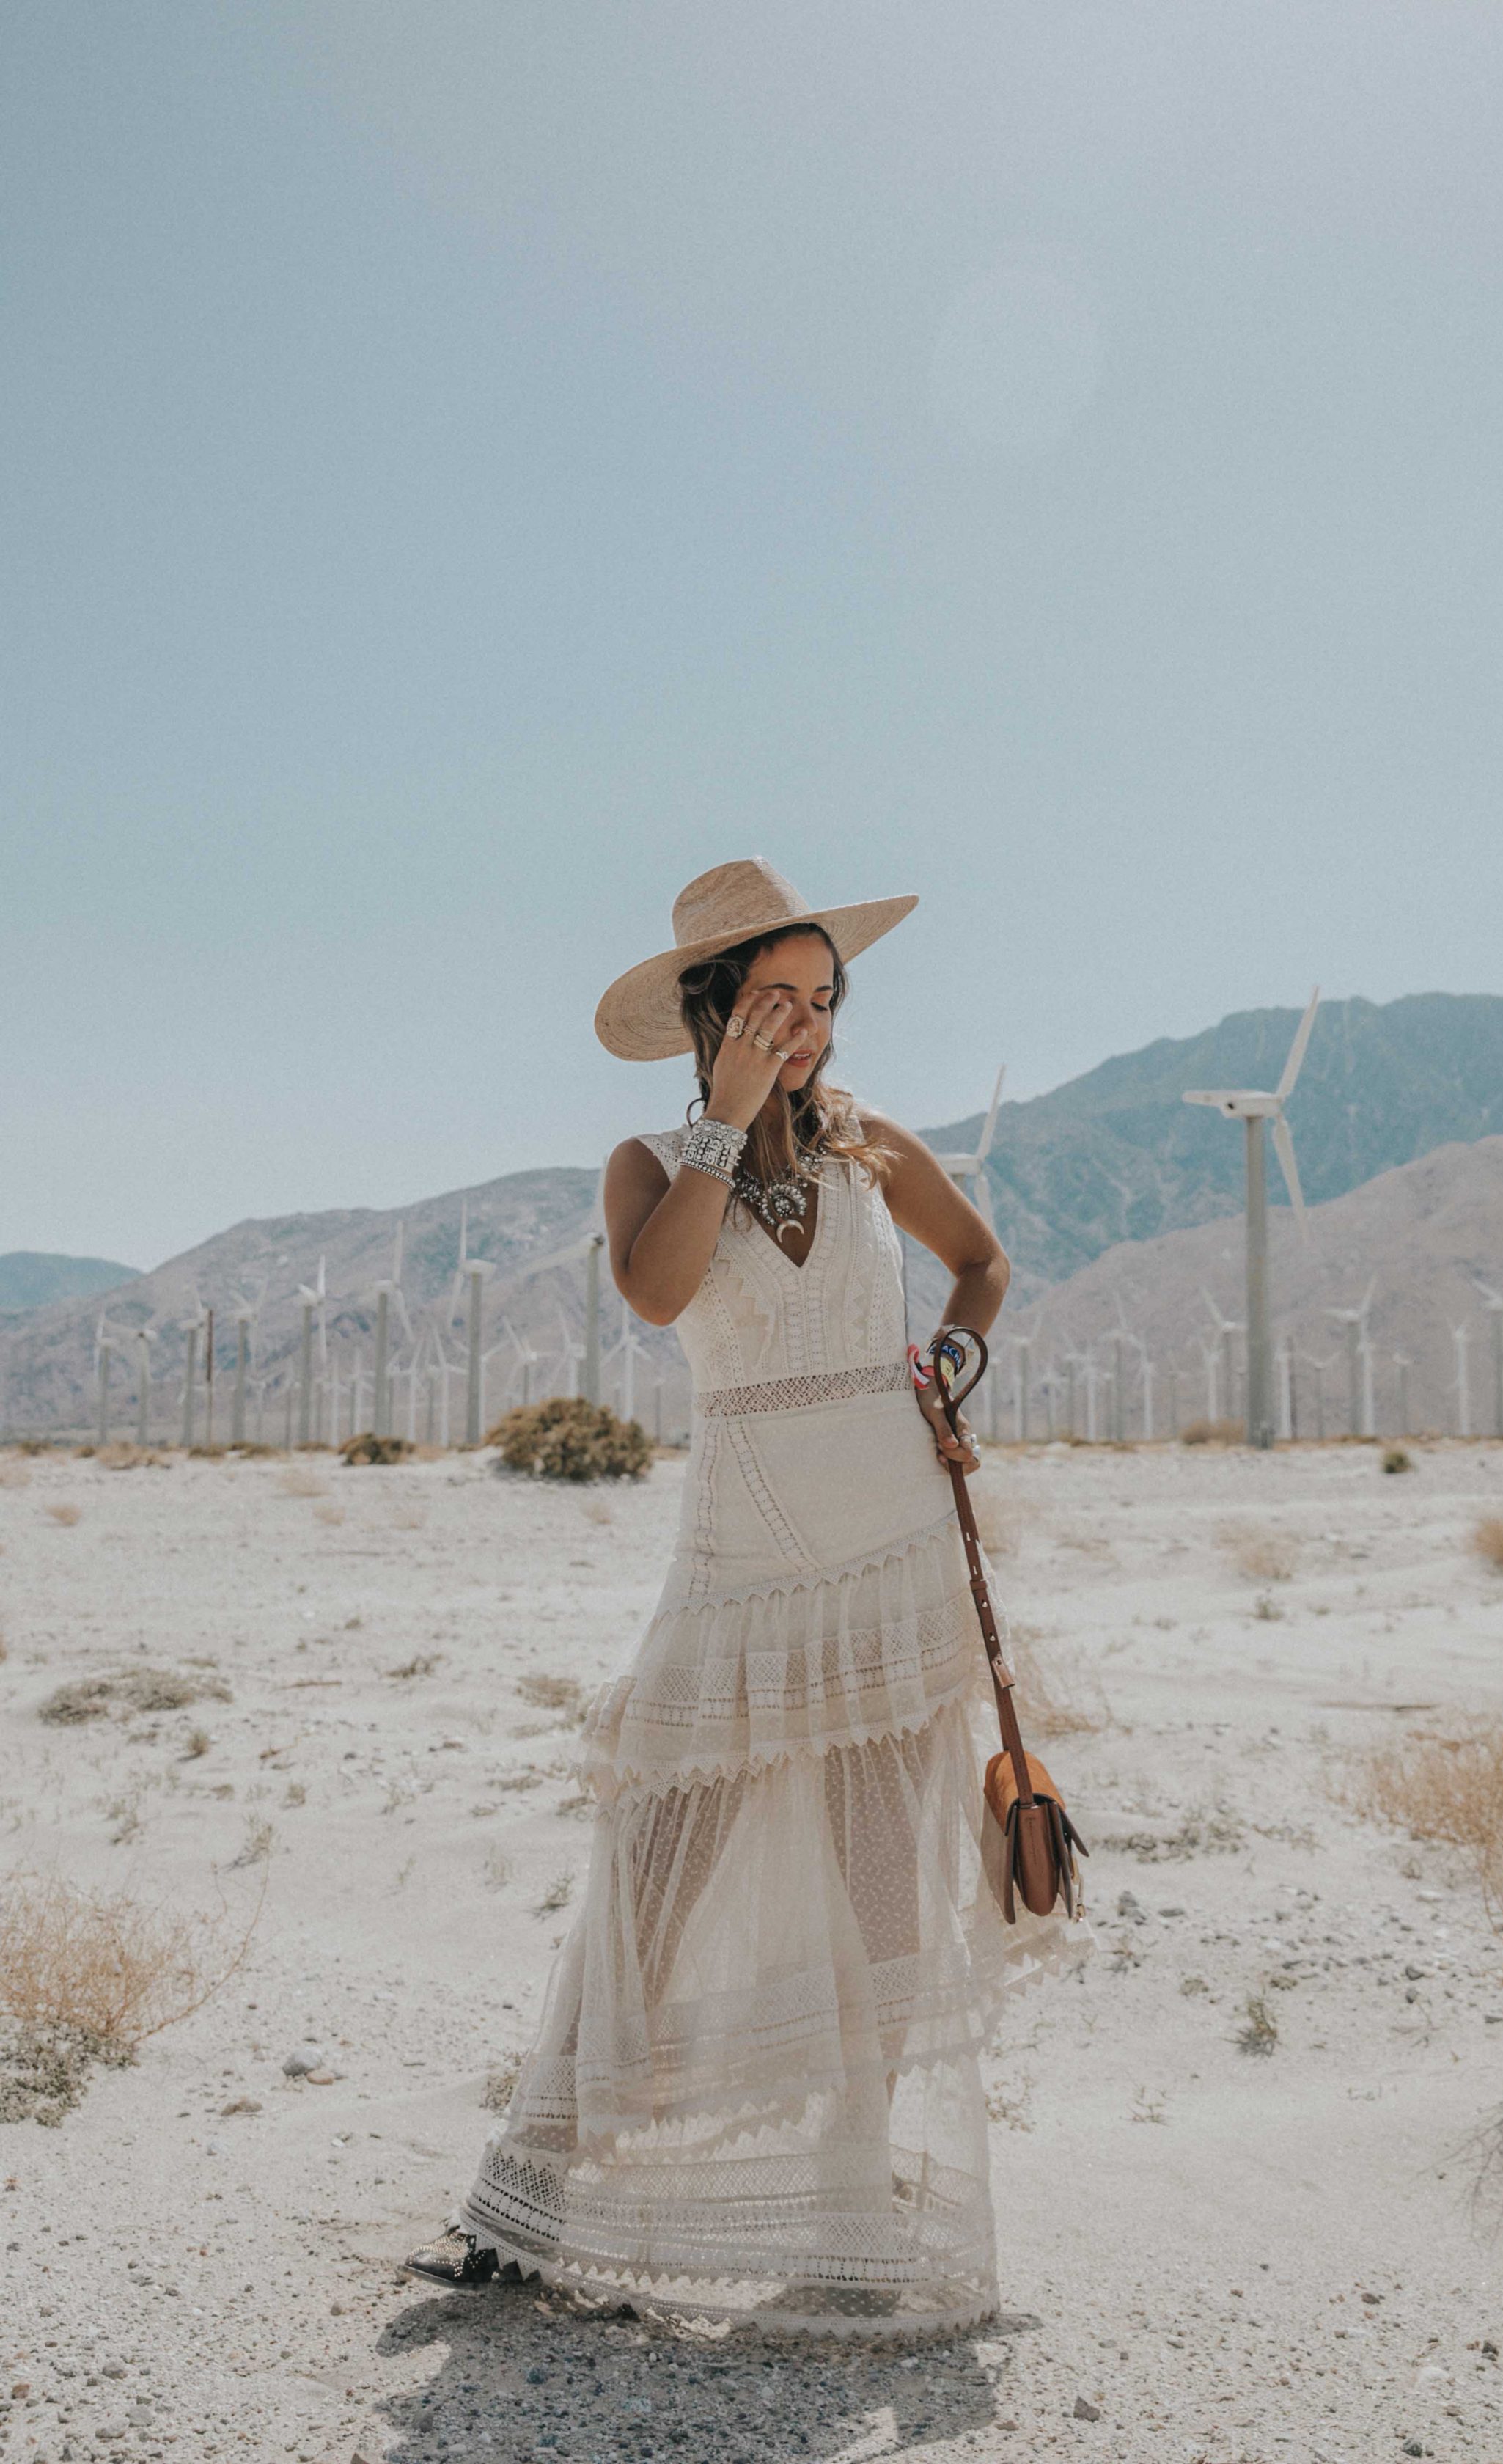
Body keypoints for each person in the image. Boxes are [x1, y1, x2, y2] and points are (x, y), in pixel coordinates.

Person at [402, 857, 1074, 2333]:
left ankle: (849, 2198)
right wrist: (723, 1115)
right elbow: (655, 1294)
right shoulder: (650, 1163)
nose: (806, 1027)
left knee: (880, 1883)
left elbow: (982, 1268)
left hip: (890, 1545)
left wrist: (948, 1368)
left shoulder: (874, 1149)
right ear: (712, 1010)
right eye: (775, 999)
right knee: (652, 1869)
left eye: (822, 1001)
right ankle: (527, 2196)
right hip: (738, 1560)